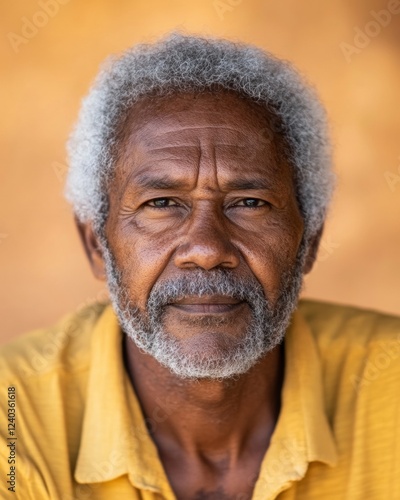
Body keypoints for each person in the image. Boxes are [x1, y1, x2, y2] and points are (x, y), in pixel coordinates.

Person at [1, 32, 399, 500]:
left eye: (249, 202)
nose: (207, 249)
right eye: (162, 203)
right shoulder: (13, 418)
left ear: (309, 239)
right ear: (95, 244)